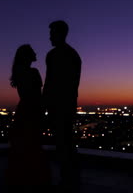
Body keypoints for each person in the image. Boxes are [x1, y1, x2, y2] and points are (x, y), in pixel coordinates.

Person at [5, 44, 52, 190]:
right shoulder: (33, 72)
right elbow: (38, 96)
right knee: (33, 143)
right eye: (32, 51)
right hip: (32, 110)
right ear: (27, 55)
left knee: (23, 144)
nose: (35, 52)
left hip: (23, 110)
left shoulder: (19, 72)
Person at [43, 20, 82, 191]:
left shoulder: (55, 56)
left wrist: (46, 104)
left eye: (52, 33)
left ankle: (67, 179)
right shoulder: (73, 55)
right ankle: (70, 178)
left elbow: (50, 83)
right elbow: (73, 85)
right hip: (65, 105)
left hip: (60, 106)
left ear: (60, 34)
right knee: (66, 142)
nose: (49, 37)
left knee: (63, 142)